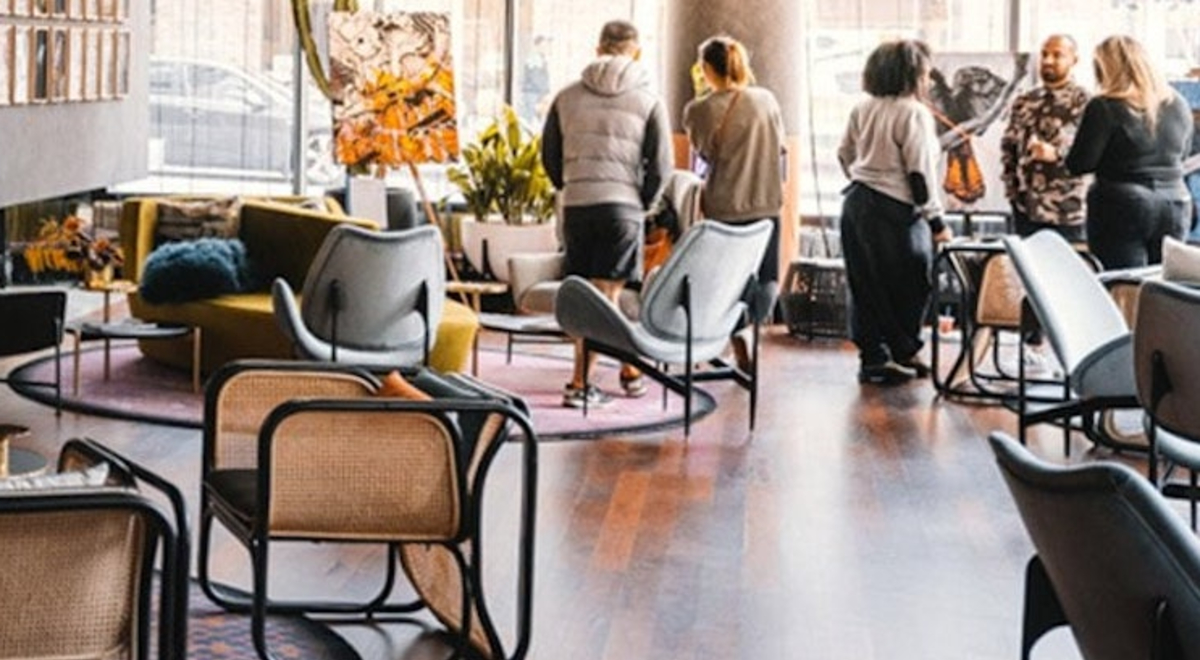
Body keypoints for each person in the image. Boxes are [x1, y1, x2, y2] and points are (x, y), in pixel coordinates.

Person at [541, 19, 673, 408]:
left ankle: (625, 370)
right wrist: (642, 203)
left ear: (599, 49)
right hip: (621, 207)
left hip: (578, 206)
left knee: (590, 297)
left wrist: (570, 187)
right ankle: (582, 383)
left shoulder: (565, 97)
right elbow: (661, 166)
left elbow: (548, 156)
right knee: (607, 295)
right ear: (637, 52)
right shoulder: (649, 101)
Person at [837, 39, 954, 386]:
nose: (928, 79)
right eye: (924, 72)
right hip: (894, 209)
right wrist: (937, 221)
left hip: (856, 202)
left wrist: (863, 178)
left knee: (867, 285)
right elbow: (919, 172)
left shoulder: (863, 108)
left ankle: (877, 357)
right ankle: (902, 350)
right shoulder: (913, 112)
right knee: (911, 282)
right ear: (911, 74)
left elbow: (844, 153)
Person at [682, 35, 786, 371]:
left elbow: (706, 154)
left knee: (720, 281)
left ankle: (729, 333)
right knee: (766, 277)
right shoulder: (766, 100)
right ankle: (749, 330)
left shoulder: (698, 110)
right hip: (767, 205)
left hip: (724, 208)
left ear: (706, 69)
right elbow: (781, 148)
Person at [1065, 35, 1193, 269]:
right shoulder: (1179, 103)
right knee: (1164, 288)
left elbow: (1080, 163)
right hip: (1176, 202)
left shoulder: (1104, 106)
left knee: (1123, 285)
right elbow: (1181, 155)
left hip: (1123, 203)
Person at [1000, 34, 1090, 242]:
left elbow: (1089, 150)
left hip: (1067, 210)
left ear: (1074, 60)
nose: (1048, 61)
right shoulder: (1025, 100)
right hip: (1026, 208)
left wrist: (1057, 153)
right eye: (1044, 54)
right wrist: (1012, 193)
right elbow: (1009, 147)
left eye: (1057, 55)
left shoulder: (1085, 102)